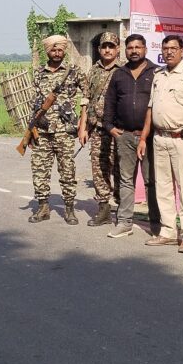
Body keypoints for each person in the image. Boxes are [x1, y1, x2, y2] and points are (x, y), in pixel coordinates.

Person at [139, 35, 183, 254]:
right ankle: (168, 231)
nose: (169, 52)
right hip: (160, 138)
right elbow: (151, 108)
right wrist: (143, 137)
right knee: (163, 187)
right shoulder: (158, 75)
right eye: (165, 48)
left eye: (173, 48)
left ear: (182, 51)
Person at [102, 34, 160, 238]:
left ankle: (156, 224)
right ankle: (124, 222)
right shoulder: (119, 74)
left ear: (145, 49)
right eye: (130, 48)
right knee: (126, 181)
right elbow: (110, 102)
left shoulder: (156, 72)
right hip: (124, 136)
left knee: (151, 181)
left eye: (138, 47)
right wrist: (109, 126)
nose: (134, 51)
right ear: (125, 50)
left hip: (149, 137)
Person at [27, 34, 87, 225]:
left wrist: (83, 121)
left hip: (64, 131)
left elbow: (87, 95)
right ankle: (43, 208)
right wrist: (30, 130)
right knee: (39, 171)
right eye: (53, 50)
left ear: (64, 51)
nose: (57, 53)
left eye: (60, 49)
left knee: (67, 171)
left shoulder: (74, 71)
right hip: (42, 132)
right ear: (48, 52)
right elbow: (34, 102)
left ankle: (69, 209)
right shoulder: (39, 73)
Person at [79, 32, 122, 226]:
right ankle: (104, 209)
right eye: (104, 46)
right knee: (99, 169)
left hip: (118, 129)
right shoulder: (93, 71)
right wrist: (83, 127)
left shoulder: (124, 70)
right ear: (98, 49)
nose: (107, 50)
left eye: (111, 46)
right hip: (97, 128)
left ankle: (122, 210)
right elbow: (85, 99)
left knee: (120, 170)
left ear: (117, 49)